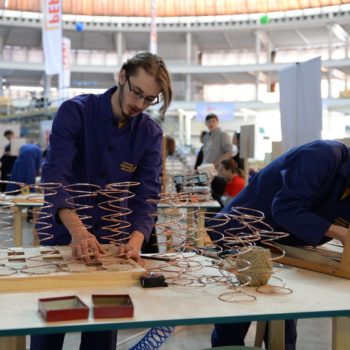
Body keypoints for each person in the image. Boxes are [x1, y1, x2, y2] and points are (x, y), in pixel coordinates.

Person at [30, 52, 172, 350]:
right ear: (122, 77)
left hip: (112, 243)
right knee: (50, 327)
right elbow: (56, 175)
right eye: (137, 93)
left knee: (102, 332)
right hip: (61, 234)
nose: (140, 105)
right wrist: (77, 230)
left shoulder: (149, 133)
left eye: (150, 100)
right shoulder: (76, 112)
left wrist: (136, 240)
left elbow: (147, 196)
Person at [209, 140, 350, 349]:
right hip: (243, 230)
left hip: (282, 241)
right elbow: (286, 208)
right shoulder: (321, 156)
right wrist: (341, 233)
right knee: (236, 316)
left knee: (283, 320)